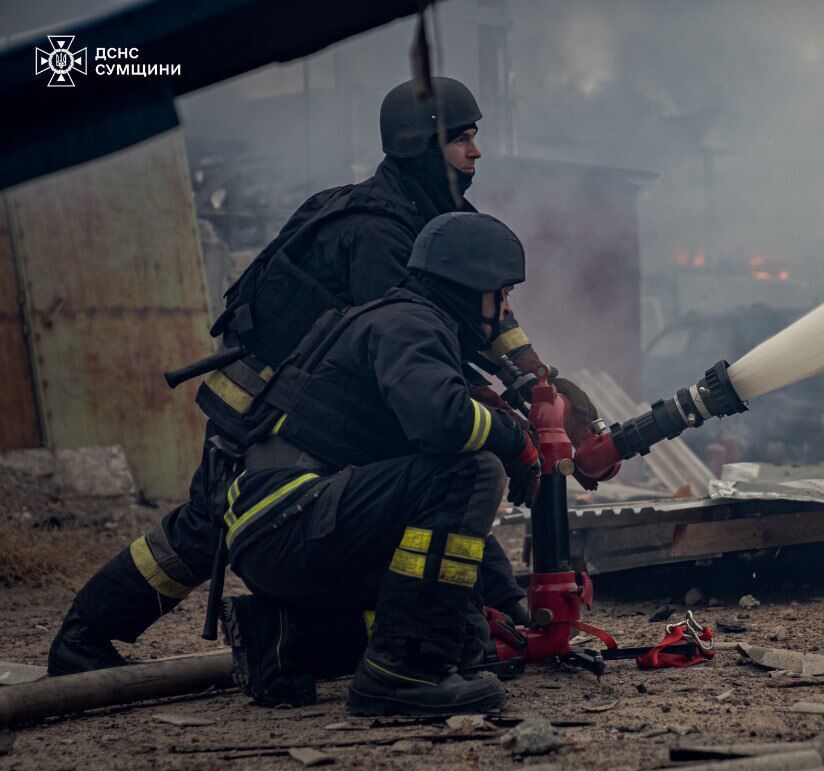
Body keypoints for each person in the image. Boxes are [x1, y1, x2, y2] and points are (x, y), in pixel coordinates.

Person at [47, 77, 597, 677]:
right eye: (462, 138)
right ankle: (84, 636)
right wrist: (505, 422)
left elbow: (488, 317)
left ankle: (475, 621)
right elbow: (412, 359)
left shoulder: (437, 215)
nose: (476, 151)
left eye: (474, 136)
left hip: (306, 405)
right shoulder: (379, 233)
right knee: (208, 526)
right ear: (419, 146)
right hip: (266, 411)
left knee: (434, 482)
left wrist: (535, 380)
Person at [223, 212, 536, 714]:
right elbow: (444, 426)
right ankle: (400, 674)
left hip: (283, 527)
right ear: (466, 287)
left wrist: (509, 603)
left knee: (468, 642)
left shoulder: (402, 320)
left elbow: (441, 508)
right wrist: (514, 440)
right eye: (500, 294)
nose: (503, 311)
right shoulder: (410, 324)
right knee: (474, 470)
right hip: (292, 516)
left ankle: (285, 640)